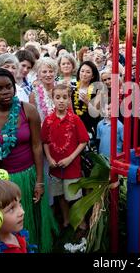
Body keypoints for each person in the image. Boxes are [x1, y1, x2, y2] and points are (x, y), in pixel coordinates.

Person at [0, 68, 58, 252]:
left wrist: (39, 181)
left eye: (9, 87)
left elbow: (37, 146)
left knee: (30, 218)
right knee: (8, 223)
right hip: (3, 181)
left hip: (29, 174)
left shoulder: (28, 110)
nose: (5, 92)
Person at [41, 84, 89, 229]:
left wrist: (70, 158)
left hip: (72, 166)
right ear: (52, 99)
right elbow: (45, 142)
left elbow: (83, 141)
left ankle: (80, 220)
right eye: (58, 97)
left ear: (69, 99)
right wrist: (49, 158)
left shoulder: (75, 119)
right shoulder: (48, 121)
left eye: (65, 97)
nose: (61, 101)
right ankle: (66, 218)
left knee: (74, 196)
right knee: (60, 195)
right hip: (55, 167)